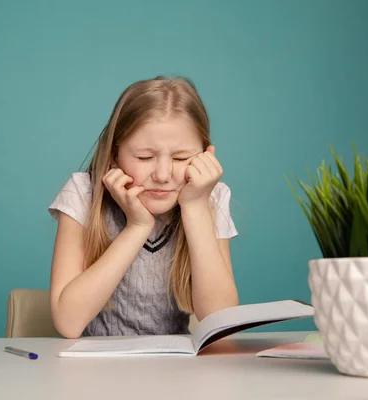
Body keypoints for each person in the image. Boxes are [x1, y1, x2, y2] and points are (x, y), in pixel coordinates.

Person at [48, 76, 238, 339]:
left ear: (205, 156)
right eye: (144, 157)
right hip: (94, 372)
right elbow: (68, 323)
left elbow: (221, 323)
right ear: (114, 155)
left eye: (181, 158)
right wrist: (137, 226)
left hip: (176, 372)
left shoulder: (210, 197)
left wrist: (195, 207)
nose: (162, 174)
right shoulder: (83, 194)